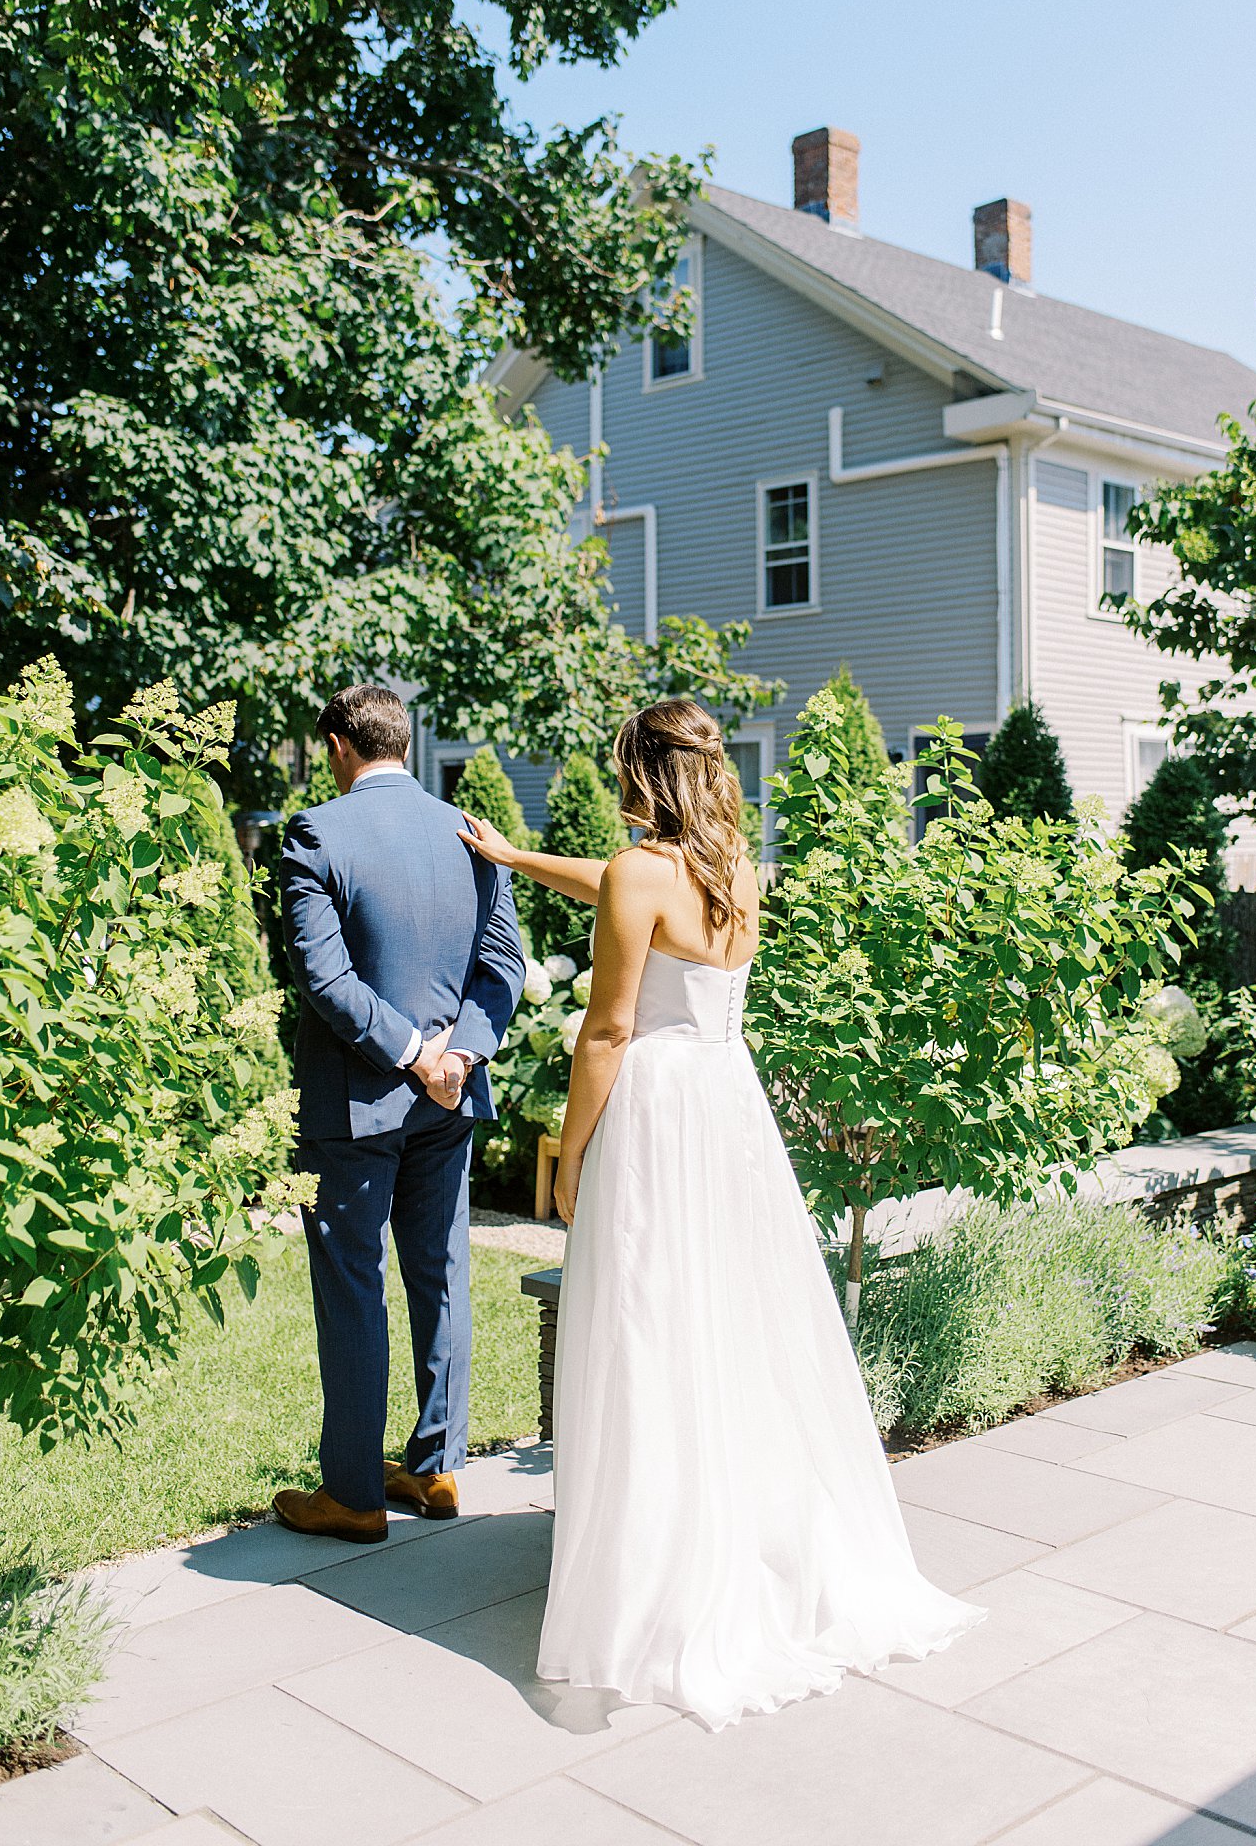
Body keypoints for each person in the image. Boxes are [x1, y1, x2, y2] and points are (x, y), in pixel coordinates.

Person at [459, 698, 984, 1731]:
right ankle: (737, 1530)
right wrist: (518, 857)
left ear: (641, 768)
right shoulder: (737, 867)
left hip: (654, 1111)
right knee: (734, 1321)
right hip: (727, 1101)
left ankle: (657, 1569)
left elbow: (607, 1028)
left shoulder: (640, 874)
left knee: (648, 1324)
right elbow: (621, 887)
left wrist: (566, 1154)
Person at [275, 683, 525, 1543]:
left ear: (341, 747)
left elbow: (324, 978)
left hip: (358, 1103)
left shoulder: (317, 831)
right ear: (405, 745)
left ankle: (351, 1493)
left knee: (353, 1285)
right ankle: (437, 1468)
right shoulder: (467, 830)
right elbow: (504, 965)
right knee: (441, 1271)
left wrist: (413, 1055)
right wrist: (457, 1054)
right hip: (448, 1097)